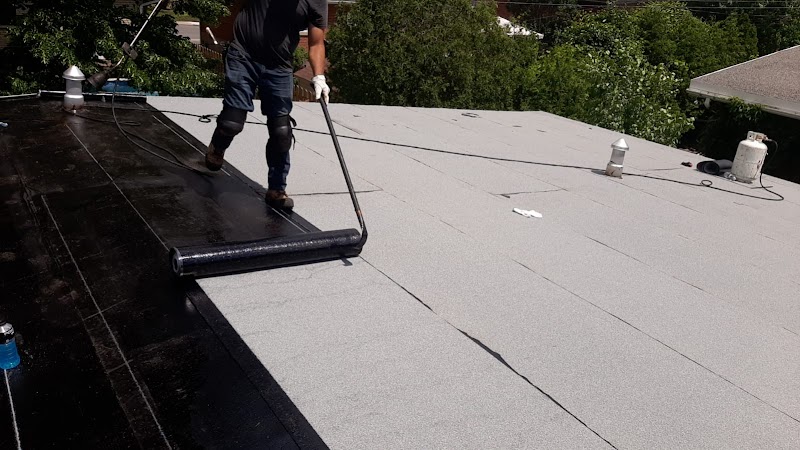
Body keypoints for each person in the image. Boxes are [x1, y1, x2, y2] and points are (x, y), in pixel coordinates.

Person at [205, 0, 331, 210]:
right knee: (231, 123)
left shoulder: (317, 2)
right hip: (243, 55)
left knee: (281, 132)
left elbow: (316, 43)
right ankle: (217, 148)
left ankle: (277, 189)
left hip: (279, 66)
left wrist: (319, 76)